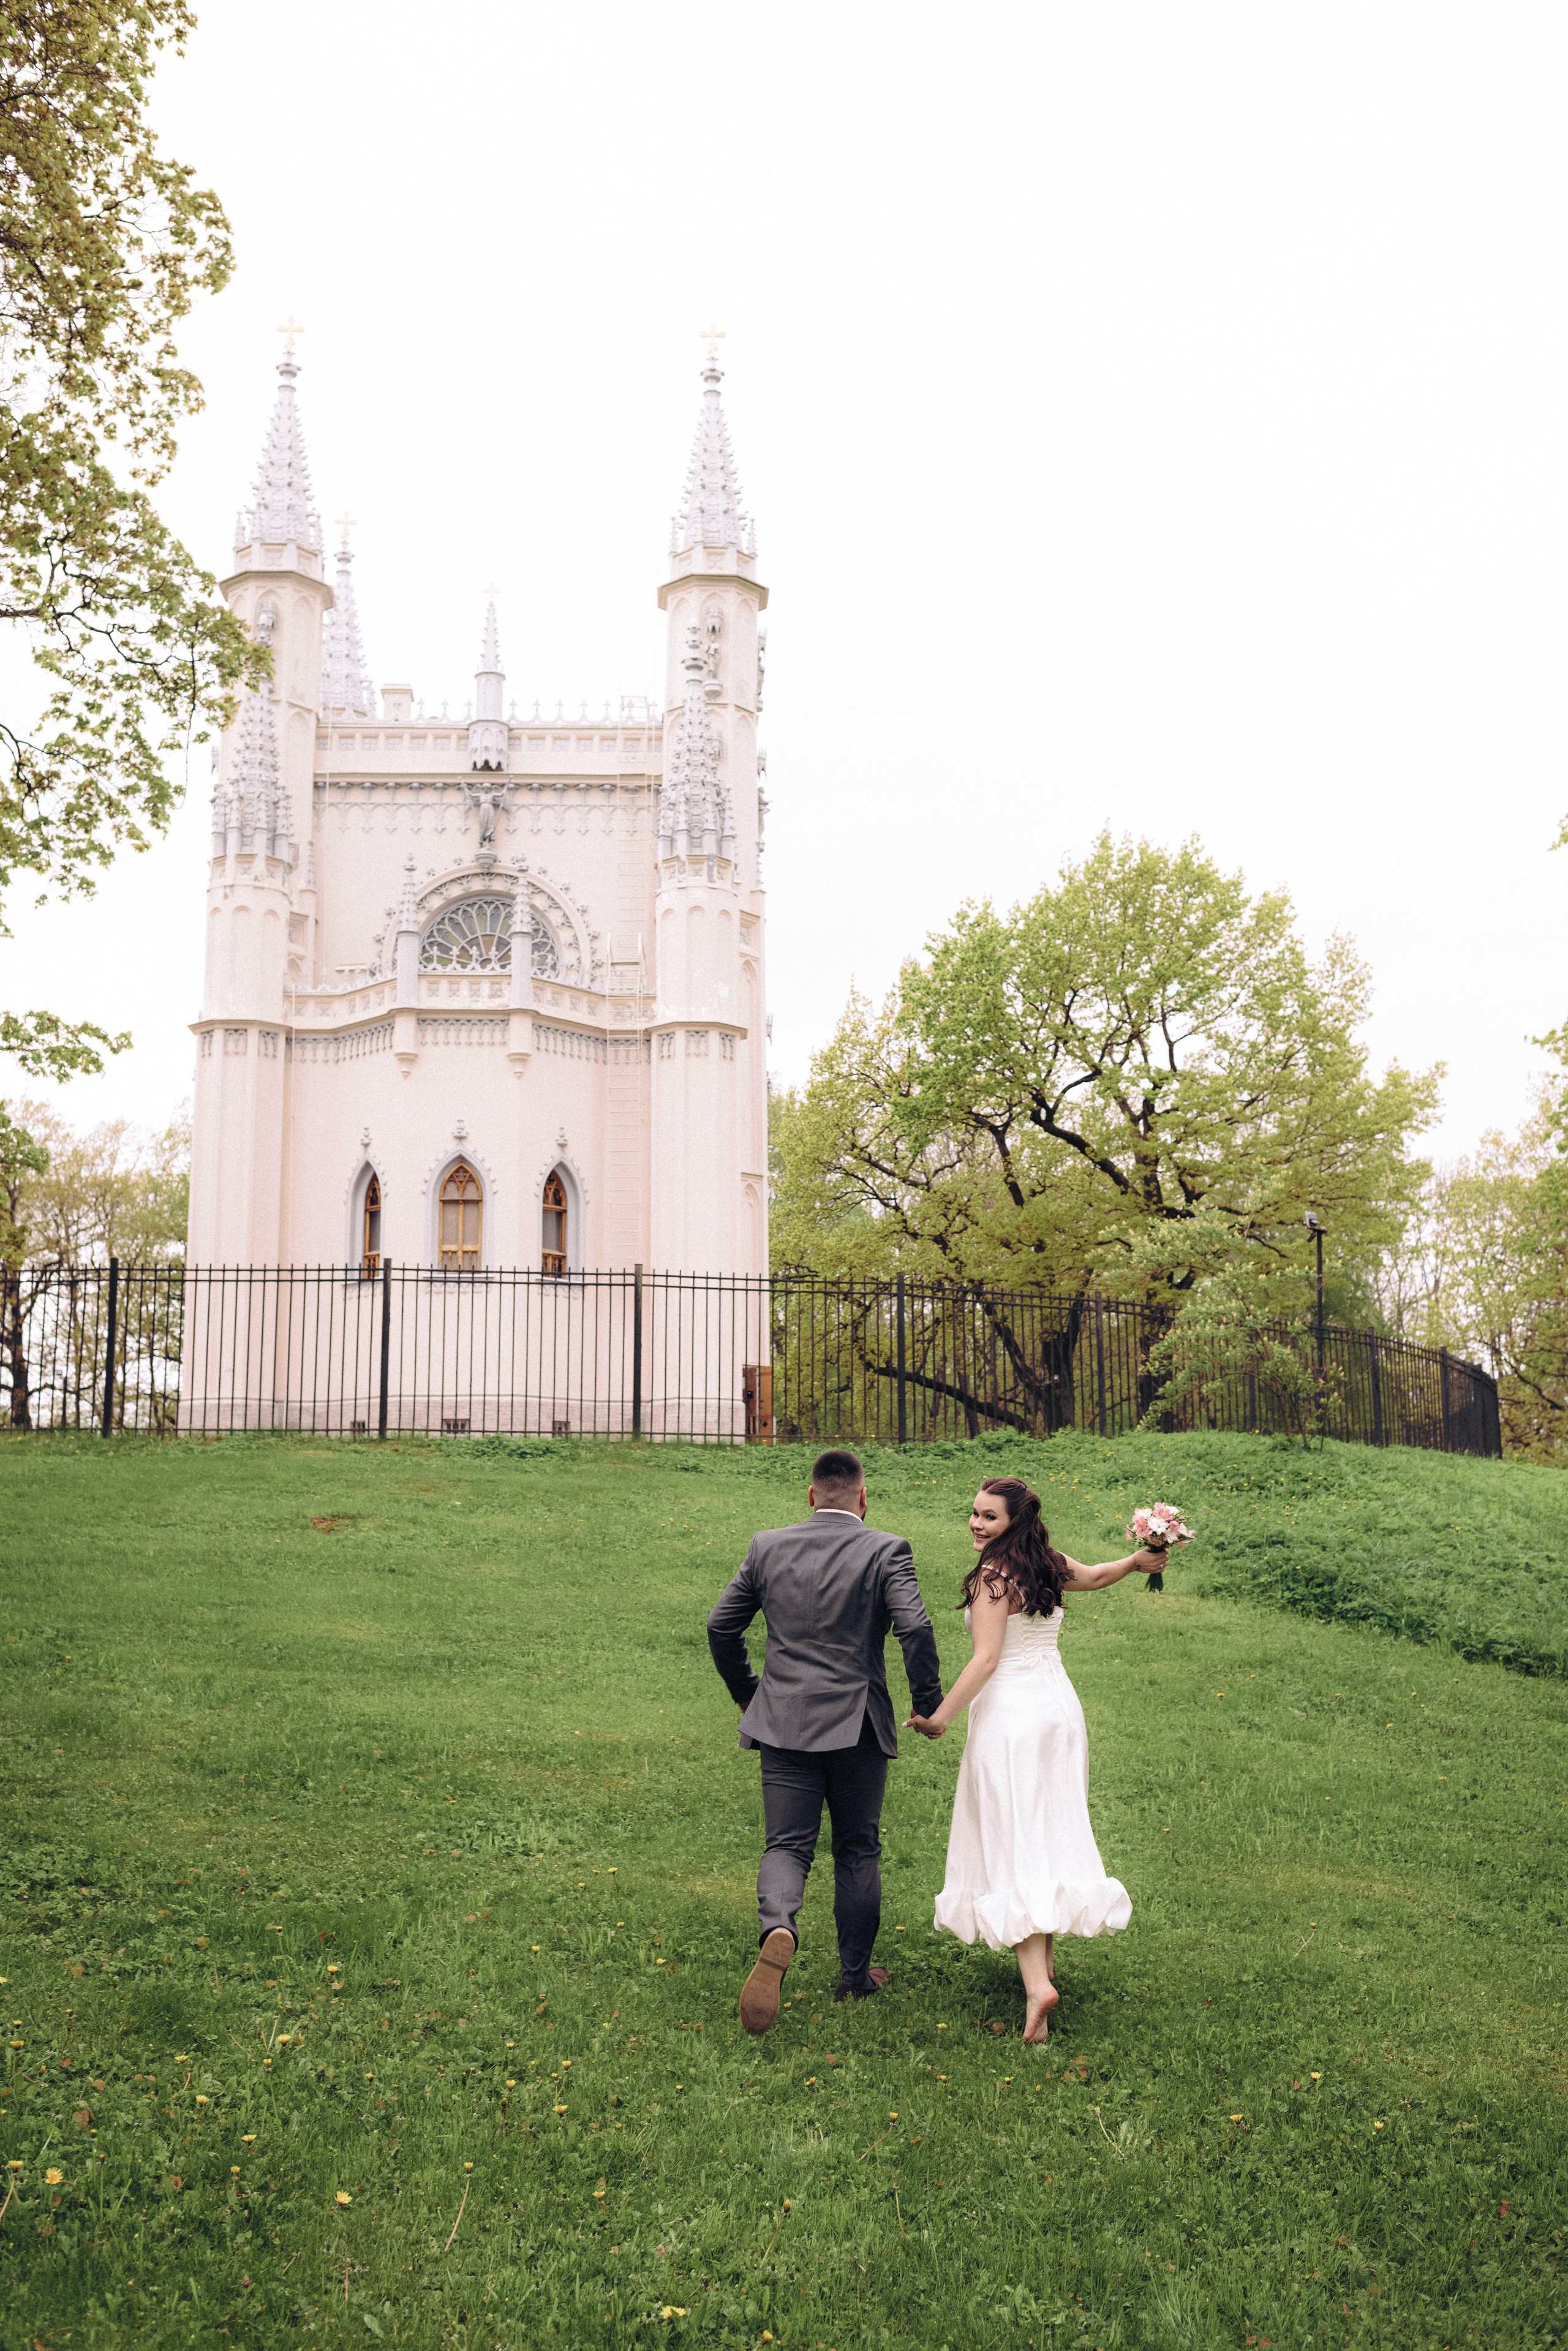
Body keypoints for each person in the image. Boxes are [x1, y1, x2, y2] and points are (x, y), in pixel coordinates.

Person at [905, 1476, 1175, 2042]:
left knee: (1014, 1840)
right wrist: (1138, 1559)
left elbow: (984, 1661)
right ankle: (1044, 1969)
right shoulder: (1046, 1563)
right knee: (1045, 1831)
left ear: (1015, 1522)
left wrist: (941, 1718)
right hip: (1058, 1711)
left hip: (1012, 1717)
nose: (977, 1524)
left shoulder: (993, 1579)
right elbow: (1098, 1576)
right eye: (974, 1514)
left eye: (990, 1517)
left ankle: (1036, 1987)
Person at [707, 1447, 944, 2035]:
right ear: (863, 1498)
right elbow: (914, 1625)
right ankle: (855, 1976)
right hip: (856, 1723)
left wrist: (748, 1692)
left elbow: (720, 1624)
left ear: (811, 1495)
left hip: (783, 1720)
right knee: (857, 1848)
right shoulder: (887, 1549)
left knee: (787, 1845)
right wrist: (928, 1700)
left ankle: (780, 1927)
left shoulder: (768, 1546)